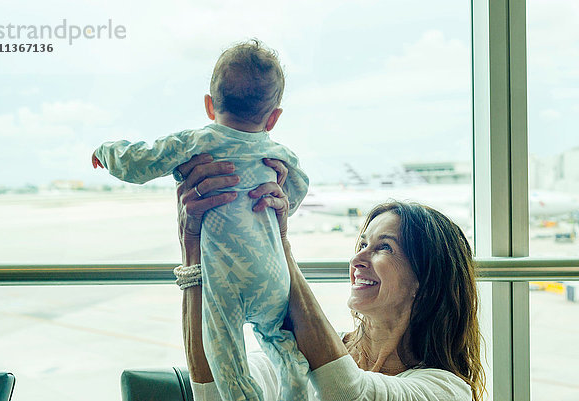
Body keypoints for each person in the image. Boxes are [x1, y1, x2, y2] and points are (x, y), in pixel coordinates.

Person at [92, 40, 310, 400]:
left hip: (227, 278)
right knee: (282, 343)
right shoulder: (278, 154)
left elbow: (140, 162)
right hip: (273, 274)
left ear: (210, 105)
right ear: (273, 118)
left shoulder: (199, 142)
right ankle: (296, 385)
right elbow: (295, 192)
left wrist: (106, 151)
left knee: (226, 356)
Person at [175, 156, 486, 401]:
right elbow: (215, 392)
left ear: (426, 279)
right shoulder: (299, 354)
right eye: (362, 244)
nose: (357, 259)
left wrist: (279, 240)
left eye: (384, 248)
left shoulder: (446, 389)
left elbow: (350, 394)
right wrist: (194, 246)